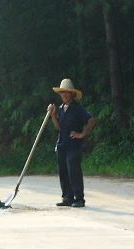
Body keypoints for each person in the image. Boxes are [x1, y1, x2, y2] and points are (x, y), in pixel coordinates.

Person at [49, 78, 96, 208]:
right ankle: (67, 198)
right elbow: (59, 127)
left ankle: (79, 198)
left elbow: (91, 120)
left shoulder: (77, 109)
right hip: (62, 144)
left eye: (67, 92)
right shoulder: (60, 108)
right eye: (62, 92)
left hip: (74, 146)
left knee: (74, 171)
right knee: (63, 171)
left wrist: (82, 134)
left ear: (72, 94)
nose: (64, 95)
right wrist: (53, 115)